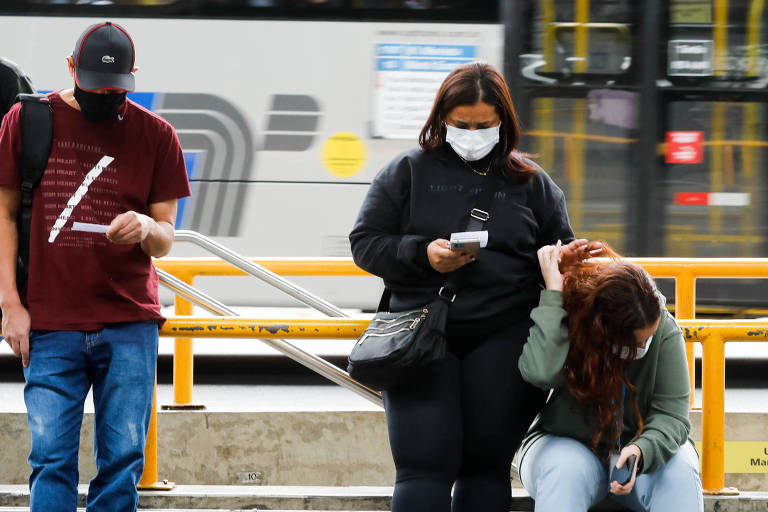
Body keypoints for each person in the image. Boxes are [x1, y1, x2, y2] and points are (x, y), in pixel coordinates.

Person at [349, 61, 601, 512]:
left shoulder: (533, 184)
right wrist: (424, 255)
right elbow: (365, 244)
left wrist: (566, 261)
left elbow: (558, 256)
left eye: (483, 125)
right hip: (420, 334)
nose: (471, 133)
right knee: (422, 465)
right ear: (440, 119)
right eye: (460, 124)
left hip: (505, 337)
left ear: (503, 122)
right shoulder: (406, 172)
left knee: (485, 466)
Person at [0, 21, 191, 512]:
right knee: (49, 460)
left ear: (133, 75)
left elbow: (167, 234)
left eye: (116, 90)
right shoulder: (27, 121)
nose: (106, 98)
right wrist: (10, 305)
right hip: (48, 322)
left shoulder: (157, 135)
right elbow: (2, 215)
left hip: (129, 322)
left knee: (123, 460)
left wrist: (147, 228)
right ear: (70, 69)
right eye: (94, 88)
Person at [517, 243, 703, 511]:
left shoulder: (664, 329)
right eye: (637, 343)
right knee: (565, 471)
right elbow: (540, 373)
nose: (643, 347)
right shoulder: (572, 320)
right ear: (605, 333)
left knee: (679, 470)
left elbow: (673, 416)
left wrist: (642, 450)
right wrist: (553, 294)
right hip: (565, 444)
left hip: (637, 453)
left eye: (648, 339)